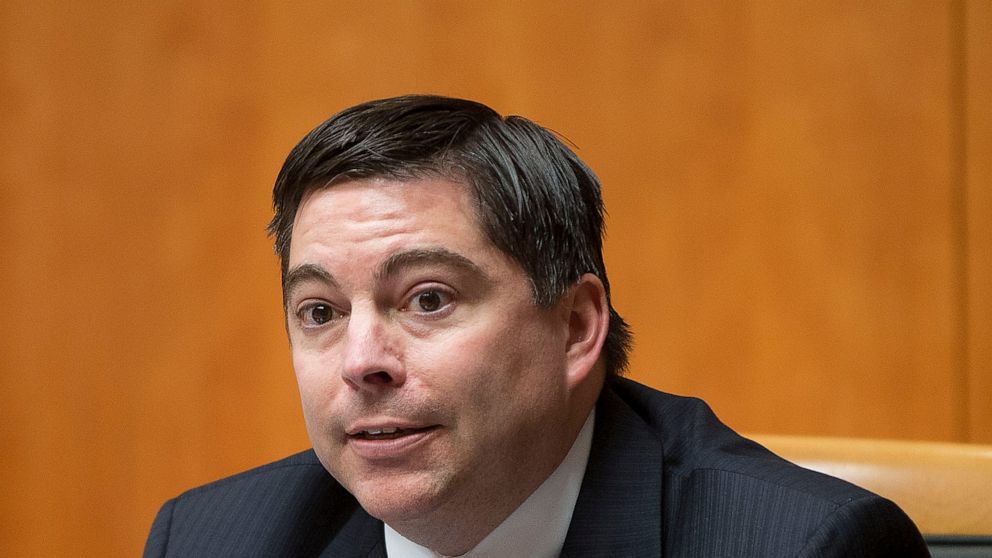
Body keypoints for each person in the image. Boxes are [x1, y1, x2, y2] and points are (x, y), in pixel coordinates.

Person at [143, 95, 929, 557]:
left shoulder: (803, 546)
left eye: (427, 299)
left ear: (577, 327)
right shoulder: (214, 541)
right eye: (320, 312)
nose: (361, 361)